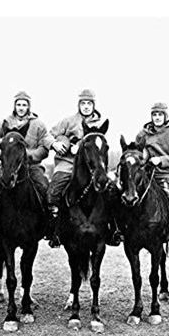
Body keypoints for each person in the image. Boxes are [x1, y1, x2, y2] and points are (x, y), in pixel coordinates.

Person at [46, 89, 120, 248]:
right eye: (83, 103)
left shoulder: (99, 124)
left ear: (94, 105)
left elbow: (102, 148)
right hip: (68, 163)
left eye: (89, 103)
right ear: (79, 105)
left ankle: (113, 230)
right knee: (53, 192)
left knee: (112, 193)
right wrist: (58, 143)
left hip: (93, 168)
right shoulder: (68, 121)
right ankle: (55, 231)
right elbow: (50, 135)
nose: (86, 106)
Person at [0, 91, 53, 241]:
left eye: (24, 104)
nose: (21, 107)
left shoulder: (38, 124)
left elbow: (44, 146)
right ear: (14, 106)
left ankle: (48, 225)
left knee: (45, 188)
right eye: (18, 104)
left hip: (32, 167)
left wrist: (30, 155)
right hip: (7, 167)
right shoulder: (3, 123)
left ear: (29, 106)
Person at [134, 102, 169, 248]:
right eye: (154, 114)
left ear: (165, 116)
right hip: (146, 174)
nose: (157, 117)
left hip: (166, 174)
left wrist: (161, 160)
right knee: (126, 195)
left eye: (160, 114)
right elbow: (137, 153)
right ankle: (121, 230)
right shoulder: (142, 134)